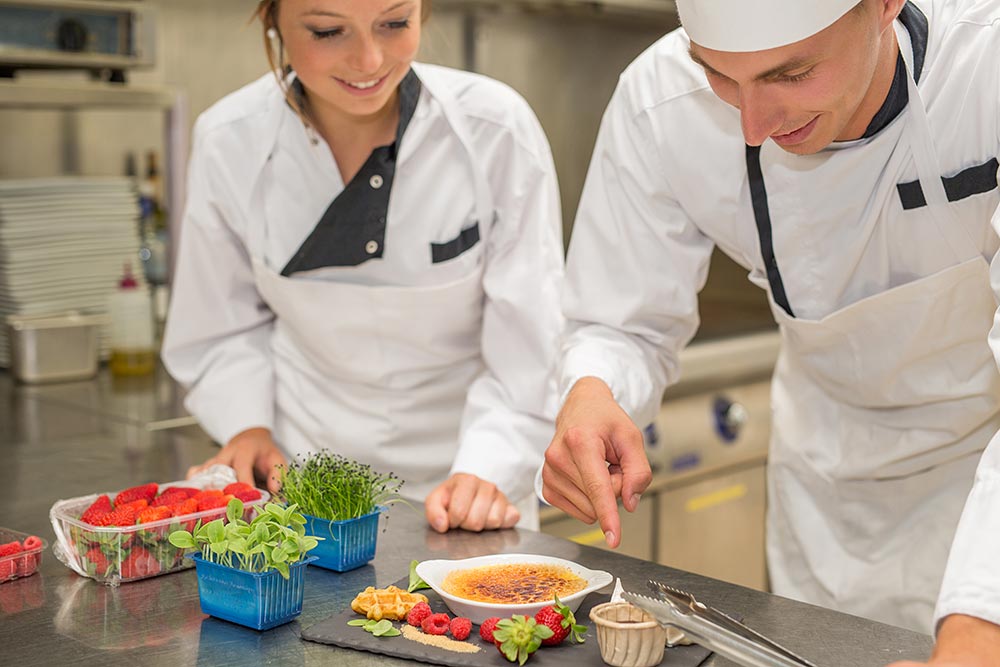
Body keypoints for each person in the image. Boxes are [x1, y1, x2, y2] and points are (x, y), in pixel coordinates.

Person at [539, 0, 1000, 660]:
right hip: (823, 489)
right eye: (720, 76)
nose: (753, 127)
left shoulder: (986, 66)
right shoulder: (657, 104)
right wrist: (593, 389)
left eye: (791, 74)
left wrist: (980, 628)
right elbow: (619, 323)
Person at [162, 0, 564, 534]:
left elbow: (532, 344)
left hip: (471, 491)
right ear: (272, 20)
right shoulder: (229, 140)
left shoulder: (494, 129)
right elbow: (220, 326)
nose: (370, 59)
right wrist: (247, 425)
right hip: (300, 490)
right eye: (328, 31)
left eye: (395, 23)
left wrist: (489, 467)